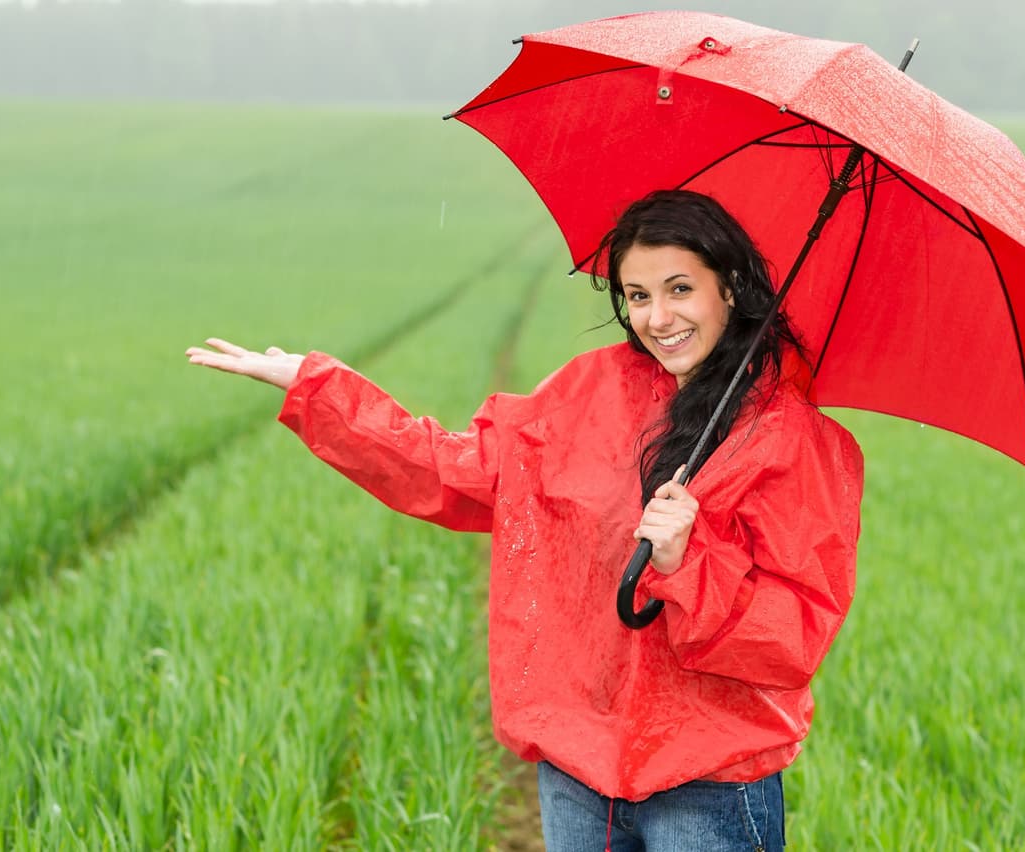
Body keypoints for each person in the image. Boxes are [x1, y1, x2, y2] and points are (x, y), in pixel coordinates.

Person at [186, 189, 864, 851]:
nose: (658, 317)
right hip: (577, 767)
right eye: (637, 295)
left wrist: (686, 561)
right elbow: (455, 472)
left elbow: (793, 638)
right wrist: (321, 391)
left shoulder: (793, 442)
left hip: (707, 783)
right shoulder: (588, 392)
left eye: (681, 289)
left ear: (731, 289)